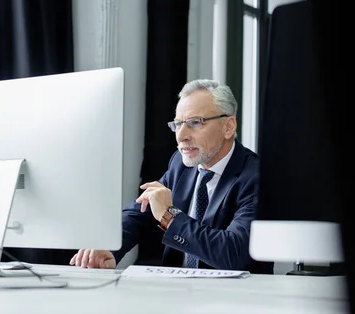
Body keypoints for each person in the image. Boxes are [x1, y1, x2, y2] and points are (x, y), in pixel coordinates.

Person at [70, 79, 273, 274]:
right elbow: (142, 210)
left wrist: (169, 215)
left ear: (228, 126)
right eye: (178, 124)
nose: (180, 136)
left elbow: (233, 253)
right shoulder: (181, 163)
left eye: (195, 122)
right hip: (176, 292)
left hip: (235, 300)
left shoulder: (257, 178)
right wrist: (108, 246)